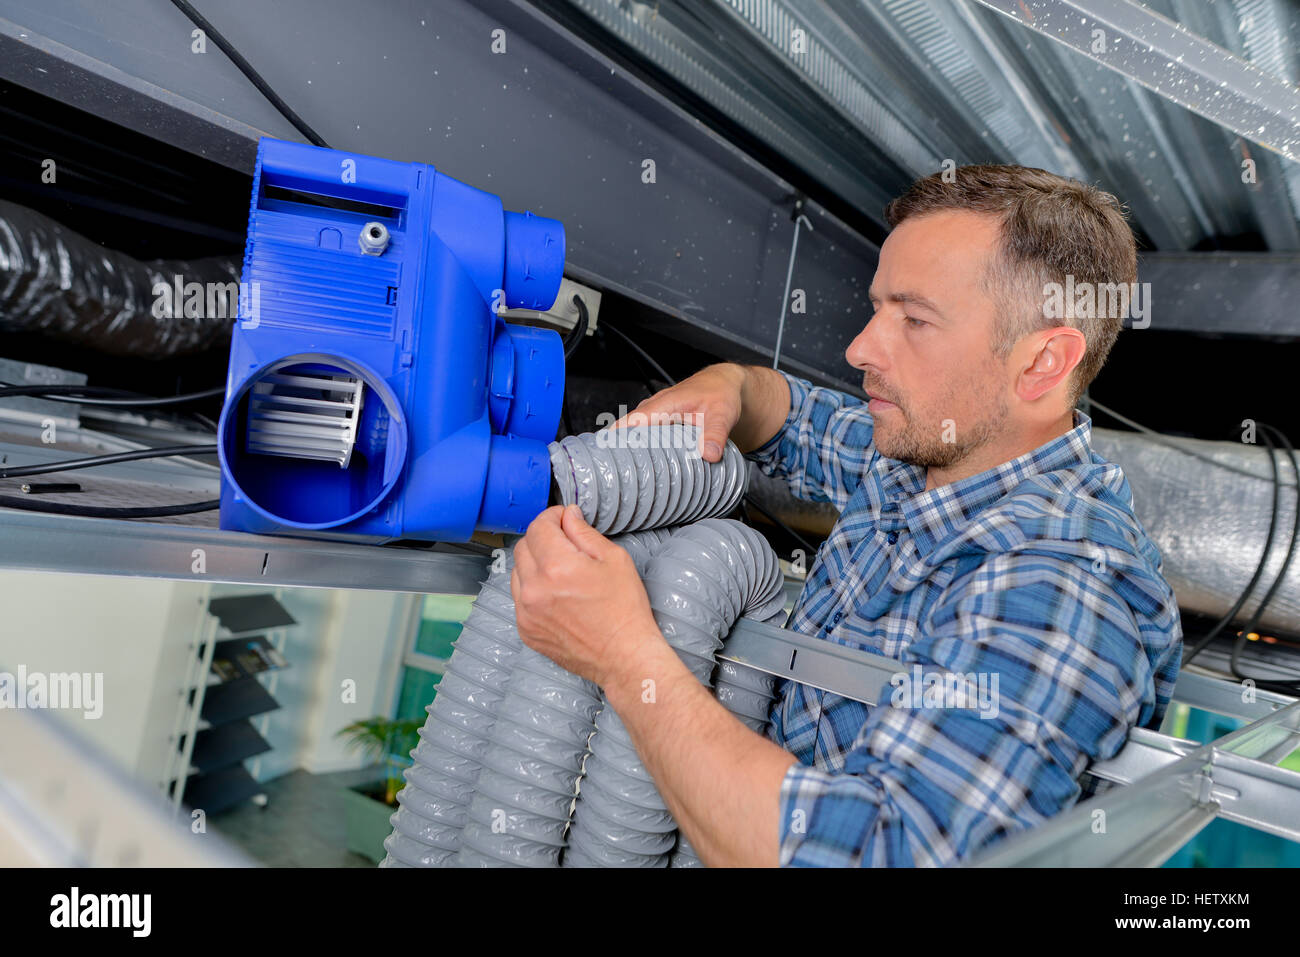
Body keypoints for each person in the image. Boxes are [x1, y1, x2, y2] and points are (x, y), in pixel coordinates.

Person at [508, 165, 1182, 867]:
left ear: (1043, 363)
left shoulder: (1067, 583)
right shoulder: (924, 456)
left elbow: (878, 852)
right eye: (878, 308)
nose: (860, 348)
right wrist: (732, 386)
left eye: (914, 319)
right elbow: (789, 413)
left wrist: (625, 657)